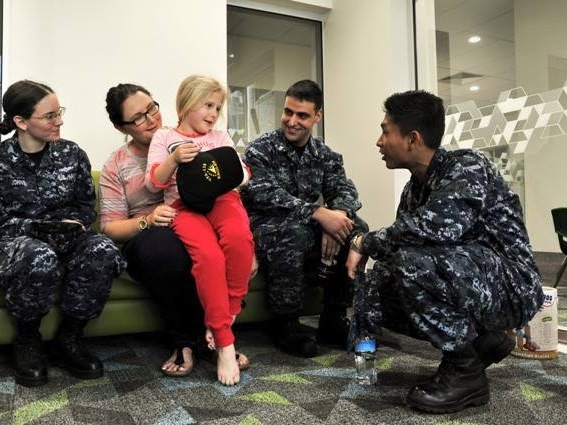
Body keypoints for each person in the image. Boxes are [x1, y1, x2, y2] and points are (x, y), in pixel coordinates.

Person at [345, 90, 544, 413]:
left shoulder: (467, 168)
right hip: (474, 281)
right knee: (384, 278)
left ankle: (465, 374)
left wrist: (363, 242)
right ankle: (482, 341)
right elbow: (401, 247)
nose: (379, 142)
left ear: (412, 139)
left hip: (515, 287)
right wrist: (363, 332)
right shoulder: (414, 188)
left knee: (412, 265)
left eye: (385, 131)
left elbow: (434, 229)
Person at [0, 79, 126, 387]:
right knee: (38, 254)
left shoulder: (71, 155)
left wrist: (71, 225)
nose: (60, 121)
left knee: (103, 249)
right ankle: (27, 340)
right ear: (21, 121)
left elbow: (84, 205)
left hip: (65, 241)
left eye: (59, 112)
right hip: (13, 246)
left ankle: (70, 338)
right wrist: (39, 229)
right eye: (50, 116)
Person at [241, 79, 366, 358]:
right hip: (266, 227)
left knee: (358, 229)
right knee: (293, 232)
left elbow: (344, 189)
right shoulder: (261, 149)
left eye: (302, 115)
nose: (291, 121)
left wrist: (339, 218)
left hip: (305, 224)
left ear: (317, 116)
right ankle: (285, 323)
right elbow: (264, 194)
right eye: (288, 112)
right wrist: (318, 213)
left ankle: (333, 319)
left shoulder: (326, 155)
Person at [146, 75, 254, 386]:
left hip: (223, 199)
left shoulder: (220, 137)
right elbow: (154, 181)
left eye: (217, 108)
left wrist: (225, 172)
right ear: (186, 103)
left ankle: (227, 315)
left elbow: (243, 173)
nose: (213, 113)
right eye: (207, 105)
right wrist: (174, 158)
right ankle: (224, 342)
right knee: (208, 257)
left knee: (239, 239)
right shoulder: (165, 137)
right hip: (184, 207)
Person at [101, 83, 206, 378]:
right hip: (146, 236)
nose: (151, 119)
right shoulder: (116, 165)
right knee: (165, 249)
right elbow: (110, 227)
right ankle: (185, 340)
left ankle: (218, 337)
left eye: (152, 108)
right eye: (138, 118)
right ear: (120, 126)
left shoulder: (186, 141)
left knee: (210, 242)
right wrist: (148, 220)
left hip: (193, 224)